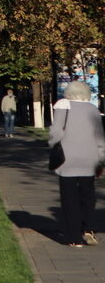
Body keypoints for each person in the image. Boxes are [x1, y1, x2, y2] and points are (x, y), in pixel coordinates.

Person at [49, 81, 105, 247]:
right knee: (88, 197)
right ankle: (88, 229)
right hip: (89, 159)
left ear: (69, 92)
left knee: (70, 198)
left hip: (68, 159)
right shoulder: (93, 109)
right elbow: (99, 137)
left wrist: (52, 144)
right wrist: (101, 159)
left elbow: (56, 131)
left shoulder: (63, 106)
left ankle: (74, 237)